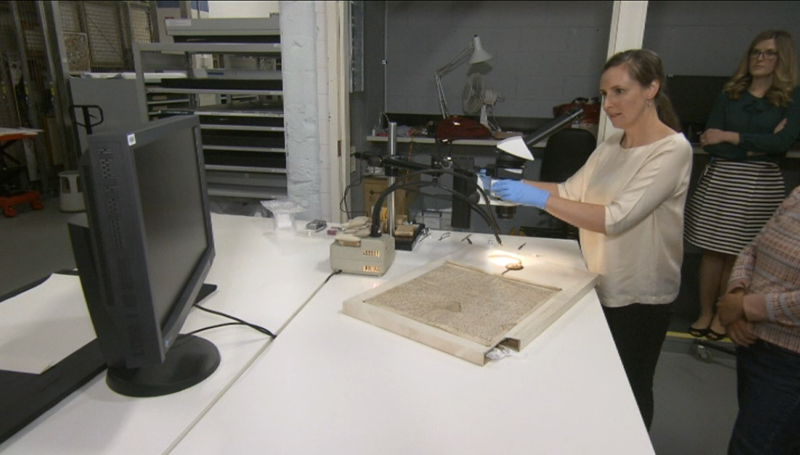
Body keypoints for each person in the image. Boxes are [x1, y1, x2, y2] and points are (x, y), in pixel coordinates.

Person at [492, 49, 692, 430]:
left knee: (630, 392)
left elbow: (615, 219)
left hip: (640, 295)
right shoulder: (613, 145)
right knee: (596, 386)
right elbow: (570, 191)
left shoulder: (672, 150)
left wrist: (536, 198)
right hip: (598, 281)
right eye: (604, 94)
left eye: (619, 91)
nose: (609, 104)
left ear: (652, 88)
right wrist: (508, 187)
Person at [685, 30, 800, 341]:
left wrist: (731, 137)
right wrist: (756, 146)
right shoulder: (730, 93)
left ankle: (726, 314)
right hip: (723, 179)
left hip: (759, 185)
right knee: (711, 252)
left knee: (738, 253)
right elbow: (710, 140)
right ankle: (706, 312)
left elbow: (783, 143)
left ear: (782, 59)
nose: (760, 58)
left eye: (769, 53)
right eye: (756, 52)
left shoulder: (791, 97)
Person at [716, 185, 800, 454]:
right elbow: (753, 247)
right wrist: (737, 291)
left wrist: (744, 306)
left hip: (789, 360)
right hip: (755, 344)